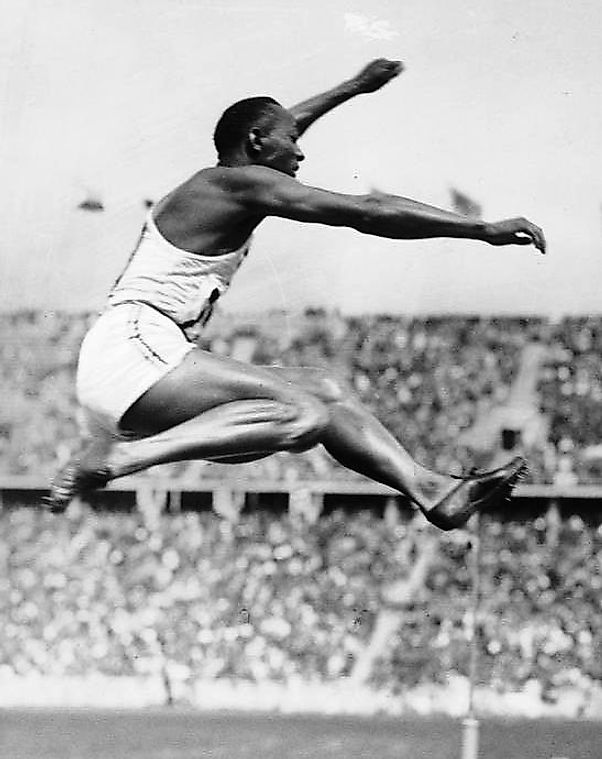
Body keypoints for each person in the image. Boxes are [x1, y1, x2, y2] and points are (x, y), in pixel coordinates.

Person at [48, 59, 544, 530]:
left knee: (325, 392)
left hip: (136, 366)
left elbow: (281, 125)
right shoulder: (231, 185)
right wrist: (480, 229)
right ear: (258, 143)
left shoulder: (232, 178)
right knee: (302, 414)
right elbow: (368, 210)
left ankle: (431, 489)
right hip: (133, 353)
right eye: (292, 141)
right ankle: (120, 459)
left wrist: (352, 88)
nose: (302, 152)